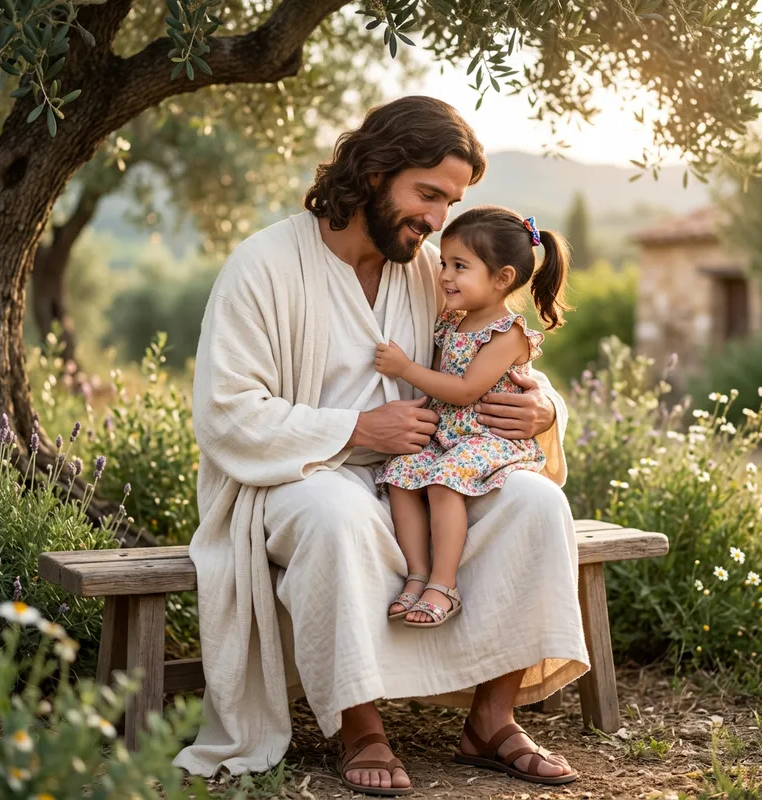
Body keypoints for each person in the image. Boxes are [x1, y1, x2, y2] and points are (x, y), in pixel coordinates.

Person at [173, 96, 590, 795]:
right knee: (340, 516)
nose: (436, 219)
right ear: (373, 172)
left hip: (427, 473)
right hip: (303, 475)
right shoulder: (264, 266)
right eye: (427, 194)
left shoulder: (434, 270)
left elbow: (499, 358)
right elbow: (225, 413)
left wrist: (545, 406)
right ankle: (361, 725)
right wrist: (356, 431)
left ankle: (491, 720)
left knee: (533, 502)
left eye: (449, 201)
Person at [375, 207, 570, 630]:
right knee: (400, 474)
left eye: (459, 266)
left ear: (501, 278)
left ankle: (444, 585)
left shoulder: (507, 333)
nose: (445, 275)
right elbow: (443, 383)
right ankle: (417, 575)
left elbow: (465, 391)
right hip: (451, 435)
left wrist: (404, 368)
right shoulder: (454, 322)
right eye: (444, 263)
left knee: (444, 481)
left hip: (488, 437)